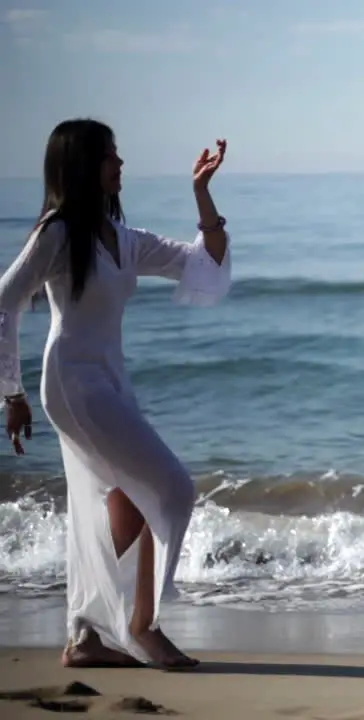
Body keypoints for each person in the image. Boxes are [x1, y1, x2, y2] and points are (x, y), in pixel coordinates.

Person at [0, 119, 233, 670]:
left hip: (109, 379)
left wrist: (202, 195)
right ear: (84, 166)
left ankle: (85, 637)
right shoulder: (58, 234)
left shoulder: (124, 240)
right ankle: (142, 627)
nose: (120, 164)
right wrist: (10, 391)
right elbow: (5, 299)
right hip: (72, 380)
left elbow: (203, 263)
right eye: (110, 156)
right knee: (170, 489)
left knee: (113, 504)